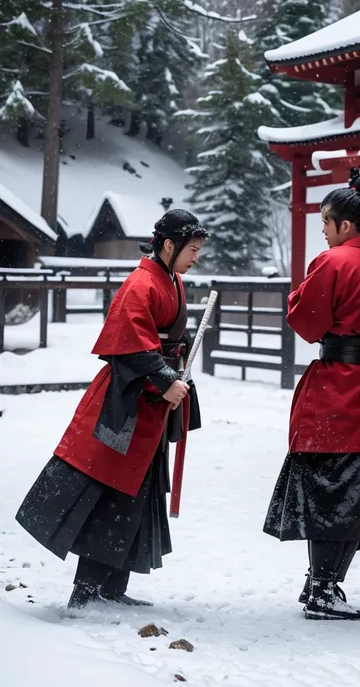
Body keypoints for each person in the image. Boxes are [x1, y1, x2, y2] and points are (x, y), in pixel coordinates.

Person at [16, 209, 207, 610]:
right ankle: (85, 592)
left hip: (151, 401)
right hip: (125, 400)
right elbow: (130, 343)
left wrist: (179, 363)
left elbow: (167, 337)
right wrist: (164, 376)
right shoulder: (141, 283)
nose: (195, 258)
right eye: (192, 249)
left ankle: (111, 589)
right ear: (169, 246)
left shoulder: (172, 279)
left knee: (138, 492)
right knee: (108, 491)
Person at [263, 168, 360, 621]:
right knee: (358, 488)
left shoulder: (335, 261)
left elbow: (305, 322)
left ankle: (322, 589)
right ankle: (323, 585)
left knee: (328, 485)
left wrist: (304, 292)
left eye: (326, 224)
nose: (324, 234)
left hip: (337, 387)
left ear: (345, 225)